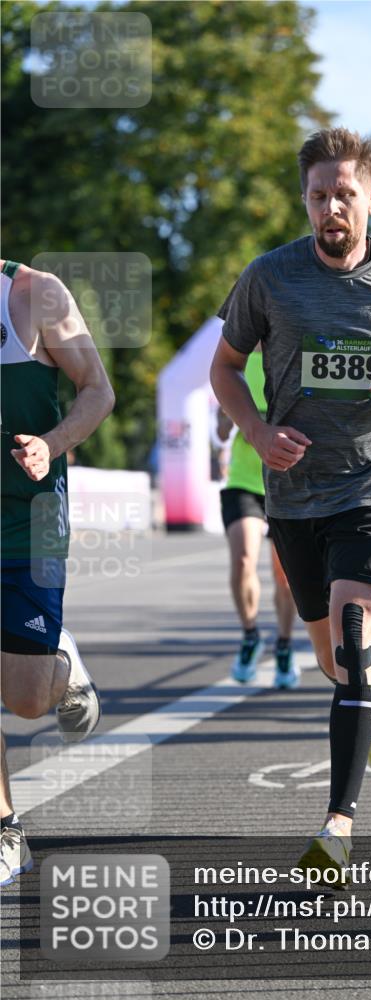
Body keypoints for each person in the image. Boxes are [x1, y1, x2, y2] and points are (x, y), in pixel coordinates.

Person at [210, 127, 371, 881]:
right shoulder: (269, 278)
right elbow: (226, 369)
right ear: (306, 199)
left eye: (344, 195)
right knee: (338, 662)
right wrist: (256, 431)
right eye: (318, 195)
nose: (330, 209)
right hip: (295, 494)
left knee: (353, 637)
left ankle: (336, 829)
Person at [1, 259, 115, 886]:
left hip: (31, 522)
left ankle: (61, 664)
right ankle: (6, 831)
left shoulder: (36, 294)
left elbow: (98, 390)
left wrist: (52, 442)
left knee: (23, 701)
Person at [217, 348, 299, 689]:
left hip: (287, 481)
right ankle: (250, 635)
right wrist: (231, 416)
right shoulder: (237, 363)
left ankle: (284, 644)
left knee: (285, 576)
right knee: (244, 559)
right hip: (245, 481)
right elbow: (221, 433)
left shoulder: (293, 360)